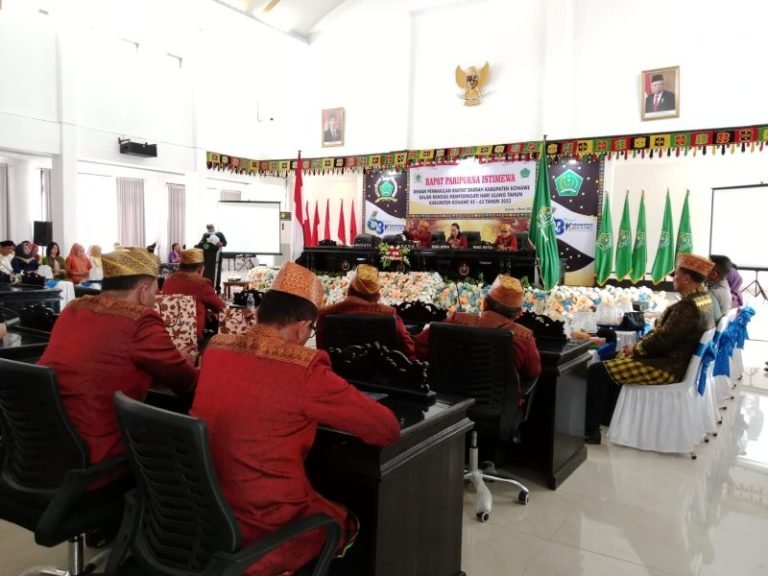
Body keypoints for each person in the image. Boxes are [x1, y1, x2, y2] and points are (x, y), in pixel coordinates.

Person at [190, 262, 400, 576]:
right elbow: (386, 429)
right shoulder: (304, 368)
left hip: (203, 518)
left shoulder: (216, 349)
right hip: (267, 528)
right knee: (347, 520)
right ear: (303, 327)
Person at [38, 247, 198, 464]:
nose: (156, 298)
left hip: (44, 445)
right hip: (96, 455)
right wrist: (182, 363)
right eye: (155, 292)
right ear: (143, 292)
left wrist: (168, 360)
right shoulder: (141, 320)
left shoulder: (74, 308)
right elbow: (186, 383)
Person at [584, 253, 716, 444]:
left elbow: (663, 340)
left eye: (676, 275)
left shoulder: (687, 306)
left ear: (687, 278)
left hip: (666, 367)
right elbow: (667, 336)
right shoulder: (704, 299)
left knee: (597, 371)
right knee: (611, 358)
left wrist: (635, 349)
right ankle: (608, 418)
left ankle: (590, 431)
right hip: (675, 361)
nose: (673, 279)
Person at [414, 274, 541, 382]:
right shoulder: (524, 337)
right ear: (518, 313)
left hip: (450, 404)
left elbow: (419, 346)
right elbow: (532, 372)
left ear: (484, 302)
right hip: (499, 408)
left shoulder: (455, 320)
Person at [316, 264, 417, 359]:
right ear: (377, 294)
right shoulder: (389, 314)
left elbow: (321, 351)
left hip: (337, 374)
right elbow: (409, 348)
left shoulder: (325, 313)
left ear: (350, 289)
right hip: (382, 375)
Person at [161, 247, 226, 339]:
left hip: (168, 335)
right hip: (193, 337)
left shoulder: (168, 281)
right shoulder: (201, 283)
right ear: (200, 269)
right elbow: (221, 308)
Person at [707, 255, 732, 321]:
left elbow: (714, 321)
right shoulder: (725, 285)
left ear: (714, 274)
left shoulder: (713, 293)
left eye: (706, 267)